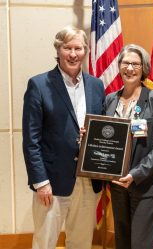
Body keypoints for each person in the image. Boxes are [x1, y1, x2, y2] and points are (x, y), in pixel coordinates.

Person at [22, 26, 105, 249]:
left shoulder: (97, 86)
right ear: (58, 50)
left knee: (81, 243)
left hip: (88, 180)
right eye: (67, 47)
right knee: (45, 243)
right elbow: (31, 140)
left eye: (78, 48)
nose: (73, 53)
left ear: (85, 51)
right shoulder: (39, 85)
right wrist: (41, 182)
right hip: (52, 181)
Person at [104, 44, 153, 249]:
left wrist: (135, 174)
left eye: (135, 64)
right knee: (122, 241)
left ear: (144, 68)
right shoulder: (110, 100)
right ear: (119, 66)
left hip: (146, 184)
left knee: (142, 243)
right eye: (126, 63)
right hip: (117, 185)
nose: (130, 68)